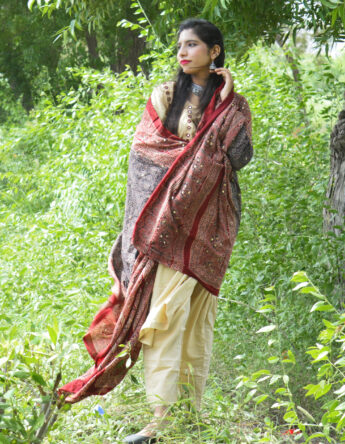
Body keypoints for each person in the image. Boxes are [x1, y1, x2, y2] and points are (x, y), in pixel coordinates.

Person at [59, 18, 252, 444]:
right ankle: (160, 419)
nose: (183, 53)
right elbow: (146, 157)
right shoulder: (165, 96)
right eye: (180, 46)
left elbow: (239, 157)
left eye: (193, 45)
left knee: (196, 324)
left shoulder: (234, 104)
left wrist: (228, 97)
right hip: (168, 230)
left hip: (209, 232)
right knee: (163, 322)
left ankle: (188, 416)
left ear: (215, 52)